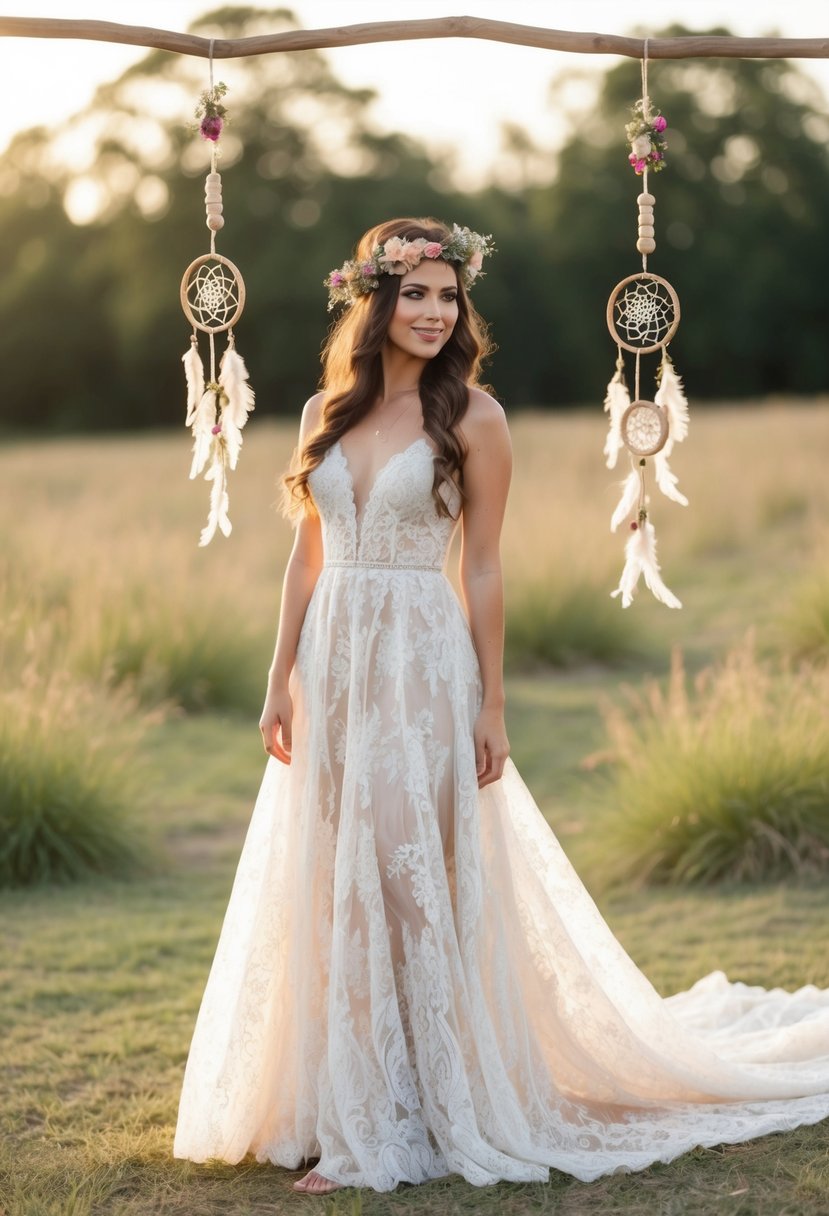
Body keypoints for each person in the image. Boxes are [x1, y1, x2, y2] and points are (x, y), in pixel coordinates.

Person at [173, 217, 829, 1196]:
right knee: (326, 874)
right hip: (332, 663)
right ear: (374, 300)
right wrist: (280, 674)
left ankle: (412, 1117)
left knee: (404, 877)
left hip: (419, 662)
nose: (436, 313)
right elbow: (304, 555)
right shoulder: (324, 410)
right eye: (417, 294)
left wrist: (491, 702)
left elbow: (481, 567)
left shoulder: (475, 418)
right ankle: (334, 1103)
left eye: (449, 297)